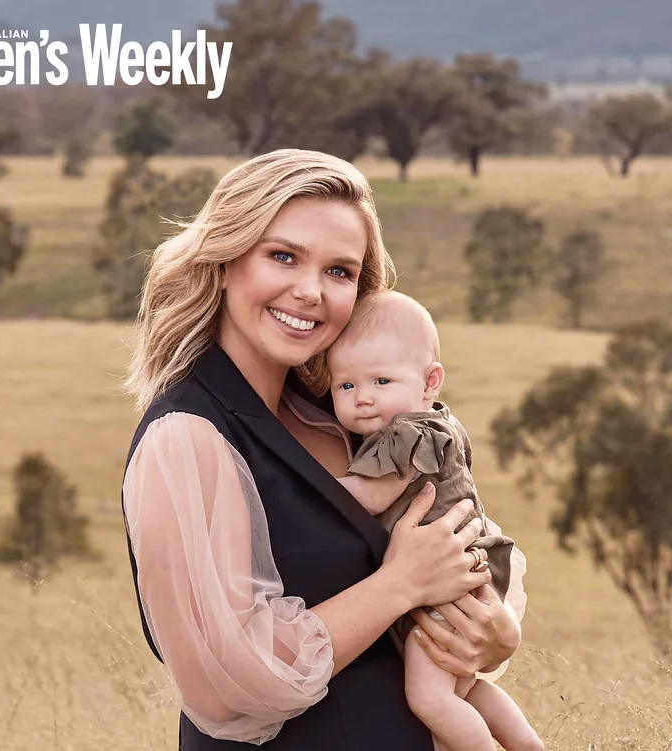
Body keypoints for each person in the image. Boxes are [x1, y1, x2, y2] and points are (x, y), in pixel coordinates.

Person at [120, 149, 523, 750]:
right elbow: (224, 688)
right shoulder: (187, 438)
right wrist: (400, 584)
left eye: (339, 272)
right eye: (282, 256)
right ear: (226, 261)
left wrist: (497, 633)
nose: (310, 291)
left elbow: (462, 536)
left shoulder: (341, 420)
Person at [329, 290, 543, 751]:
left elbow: (370, 495)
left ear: (430, 382)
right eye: (345, 386)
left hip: (450, 584)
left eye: (381, 381)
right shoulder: (442, 422)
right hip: (466, 569)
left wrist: (304, 488)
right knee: (467, 689)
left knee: (427, 697)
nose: (362, 398)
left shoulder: (406, 435)